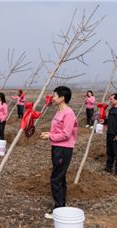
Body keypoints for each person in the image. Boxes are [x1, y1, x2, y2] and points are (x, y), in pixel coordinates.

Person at [40, 86, 78, 219]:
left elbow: (66, 135)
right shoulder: (58, 112)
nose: (52, 97)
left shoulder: (69, 113)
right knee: (60, 177)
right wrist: (50, 133)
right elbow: (58, 131)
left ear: (62, 98)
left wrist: (50, 136)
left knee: (55, 178)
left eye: (54, 95)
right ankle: (62, 203)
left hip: (63, 149)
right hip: (57, 147)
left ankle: (58, 209)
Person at [99, 94, 117, 175]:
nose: (110, 101)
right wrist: (104, 121)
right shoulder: (111, 109)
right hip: (109, 133)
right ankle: (109, 167)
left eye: (111, 99)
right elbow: (111, 120)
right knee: (109, 151)